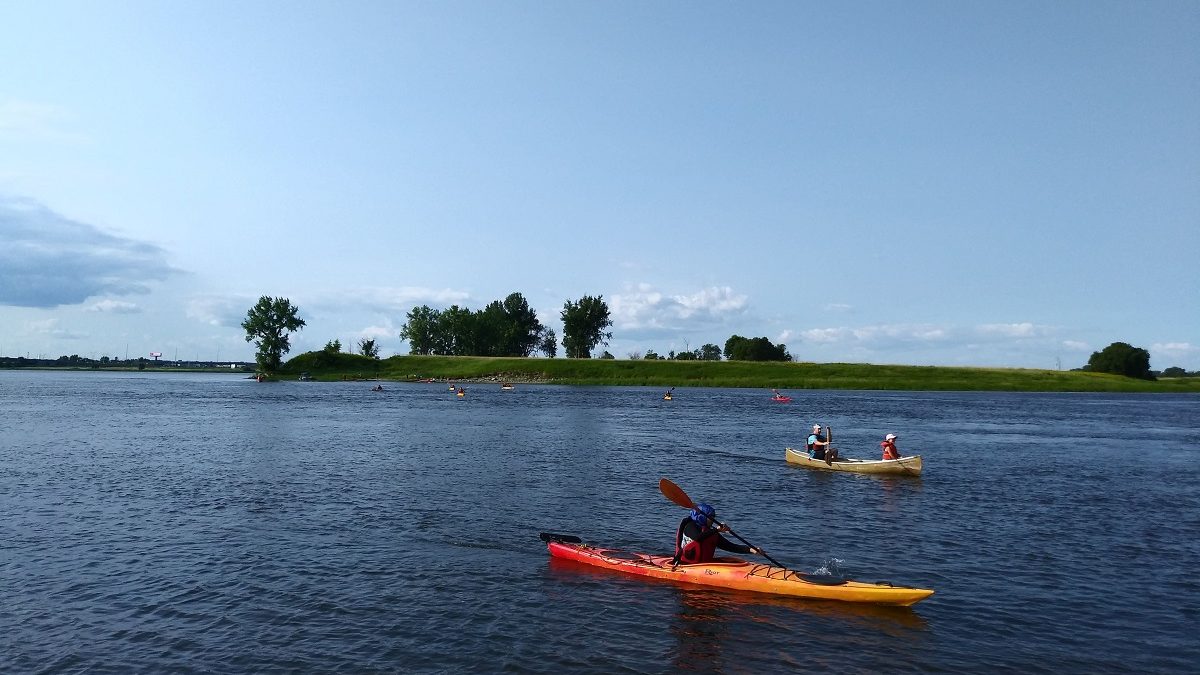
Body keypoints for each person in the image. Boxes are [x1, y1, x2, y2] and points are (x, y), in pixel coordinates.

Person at [673, 502, 760, 565]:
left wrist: (750, 550)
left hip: (704, 565)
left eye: (714, 517)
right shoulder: (690, 526)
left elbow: (729, 546)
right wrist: (717, 530)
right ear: (701, 517)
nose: (713, 519)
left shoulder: (711, 533)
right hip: (685, 564)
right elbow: (697, 538)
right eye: (711, 517)